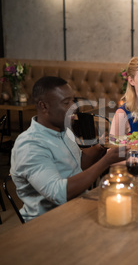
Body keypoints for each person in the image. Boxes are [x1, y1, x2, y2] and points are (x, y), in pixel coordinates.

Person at [10, 76, 127, 222]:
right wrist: (106, 161)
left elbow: (79, 164)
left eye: (73, 100)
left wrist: (100, 147)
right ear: (43, 106)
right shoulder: (29, 145)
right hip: (47, 222)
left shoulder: (64, 131)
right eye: (66, 103)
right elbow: (58, 194)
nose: (74, 107)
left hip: (78, 208)